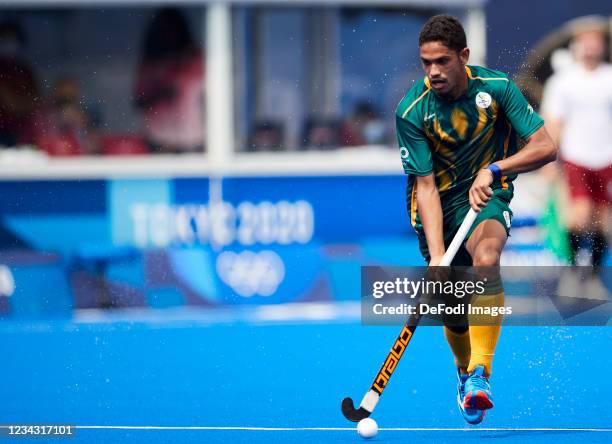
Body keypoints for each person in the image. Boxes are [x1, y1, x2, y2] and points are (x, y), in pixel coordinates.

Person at [395, 15, 556, 424]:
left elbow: (545, 146)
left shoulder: (498, 89)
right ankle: (464, 371)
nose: (433, 72)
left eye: (442, 61)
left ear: (463, 56)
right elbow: (426, 187)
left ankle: (481, 374)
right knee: (452, 304)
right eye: (426, 62)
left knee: (486, 257)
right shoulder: (412, 111)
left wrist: (496, 169)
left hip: (488, 195)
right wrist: (435, 257)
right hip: (439, 208)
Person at [541, 16, 612, 297]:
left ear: (603, 46)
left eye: (596, 42)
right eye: (585, 42)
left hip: (606, 158)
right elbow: (553, 122)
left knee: (602, 220)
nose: (591, 47)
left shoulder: (609, 78)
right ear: (576, 46)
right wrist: (548, 159)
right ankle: (571, 271)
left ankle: (593, 277)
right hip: (576, 157)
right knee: (577, 217)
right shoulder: (563, 82)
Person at [134, 8, 204, 154]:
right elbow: (139, 100)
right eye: (163, 31)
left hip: (193, 138)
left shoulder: (194, 60)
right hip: (159, 140)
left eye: (172, 30)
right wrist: (161, 91)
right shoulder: (151, 65)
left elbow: (212, 95)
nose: (168, 35)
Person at [0, 21, 40, 147]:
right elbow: (9, 102)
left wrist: (21, 105)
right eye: (5, 39)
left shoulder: (25, 71)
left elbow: (35, 100)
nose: (9, 43)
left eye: (12, 39)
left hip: (23, 130)